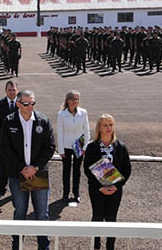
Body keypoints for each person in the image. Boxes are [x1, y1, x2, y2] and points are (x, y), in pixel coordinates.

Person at [0, 90, 55, 250]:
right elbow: (5, 148)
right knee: (20, 212)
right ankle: (17, 245)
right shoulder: (9, 121)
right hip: (18, 175)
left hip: (38, 174)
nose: (30, 106)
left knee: (42, 213)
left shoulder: (43, 121)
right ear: (18, 104)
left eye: (33, 103)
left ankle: (44, 246)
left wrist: (34, 167)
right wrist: (23, 168)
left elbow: (50, 146)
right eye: (26, 103)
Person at [84, 114, 132, 250]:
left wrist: (116, 186)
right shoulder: (92, 147)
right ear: (99, 128)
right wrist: (100, 187)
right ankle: (96, 246)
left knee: (111, 219)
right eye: (105, 125)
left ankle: (110, 247)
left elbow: (127, 169)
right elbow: (87, 170)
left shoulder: (120, 146)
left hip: (115, 190)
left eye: (111, 125)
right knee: (97, 217)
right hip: (97, 189)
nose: (108, 128)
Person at [57, 91, 90, 203]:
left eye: (77, 99)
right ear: (68, 100)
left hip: (79, 145)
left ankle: (76, 193)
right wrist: (60, 149)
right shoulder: (61, 114)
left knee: (77, 170)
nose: (75, 101)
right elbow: (60, 132)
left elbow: (86, 129)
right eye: (73, 99)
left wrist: (85, 146)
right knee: (66, 170)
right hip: (66, 145)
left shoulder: (83, 112)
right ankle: (65, 193)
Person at [0, 80, 19, 199]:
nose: (11, 92)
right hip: (4, 142)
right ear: (5, 91)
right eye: (9, 90)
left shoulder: (22, 103)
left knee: (18, 166)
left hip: (19, 142)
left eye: (13, 90)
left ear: (17, 90)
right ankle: (1, 189)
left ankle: (17, 190)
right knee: (3, 167)